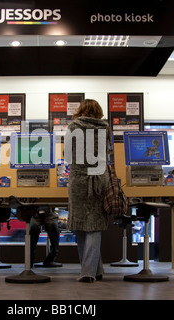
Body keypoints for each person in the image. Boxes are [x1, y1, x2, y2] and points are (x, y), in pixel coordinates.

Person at [64, 99, 111, 282]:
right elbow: (106, 153)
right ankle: (95, 270)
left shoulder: (73, 126)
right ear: (98, 111)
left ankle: (87, 273)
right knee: (94, 224)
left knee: (81, 226)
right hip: (99, 178)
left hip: (78, 180)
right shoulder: (104, 128)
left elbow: (67, 156)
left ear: (80, 110)